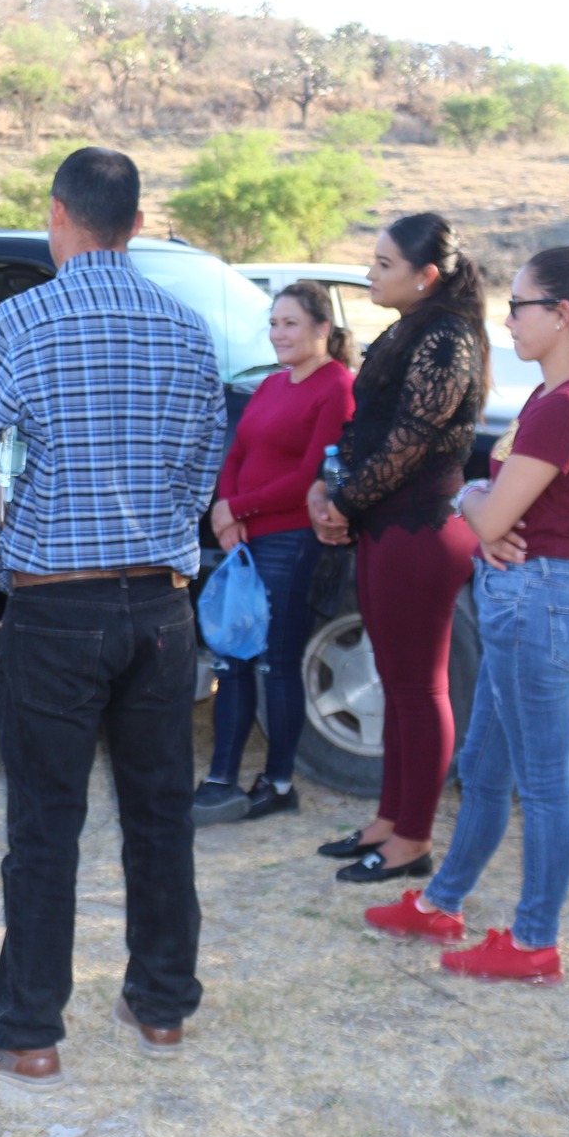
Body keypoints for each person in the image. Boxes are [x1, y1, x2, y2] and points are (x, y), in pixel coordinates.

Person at [0, 147, 226, 1090]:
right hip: (160, 605)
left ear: (57, 216)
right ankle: (161, 1004)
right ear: (136, 224)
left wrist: (0, 570)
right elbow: (201, 465)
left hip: (55, 608)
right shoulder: (189, 329)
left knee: (44, 824)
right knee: (160, 815)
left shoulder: (22, 322)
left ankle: (27, 1028)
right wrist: (170, 548)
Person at [367, 246, 569, 984]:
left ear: (562, 316)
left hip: (539, 602)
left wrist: (468, 502)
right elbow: (497, 517)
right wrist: (484, 510)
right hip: (529, 600)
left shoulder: (567, 406)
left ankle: (532, 942)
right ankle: (441, 901)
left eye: (521, 306)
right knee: (485, 769)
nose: (509, 320)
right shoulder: (566, 392)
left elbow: (492, 522)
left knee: (544, 785)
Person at [309, 214, 488, 883]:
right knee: (399, 681)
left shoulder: (446, 338)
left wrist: (344, 502)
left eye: (383, 264)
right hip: (386, 524)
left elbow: (410, 440)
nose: (370, 273)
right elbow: (366, 430)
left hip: (418, 528)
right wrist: (332, 490)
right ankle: (389, 819)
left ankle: (412, 839)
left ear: (426, 275)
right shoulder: (412, 329)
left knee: (419, 688)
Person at [194, 282, 355, 826]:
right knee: (232, 657)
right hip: (245, 537)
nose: (279, 334)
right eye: (274, 323)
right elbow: (237, 450)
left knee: (276, 661)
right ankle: (220, 779)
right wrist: (225, 507)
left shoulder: (336, 388)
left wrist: (239, 507)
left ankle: (279, 782)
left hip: (291, 540)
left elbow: (314, 475)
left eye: (290, 323)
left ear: (321, 330)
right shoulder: (271, 385)